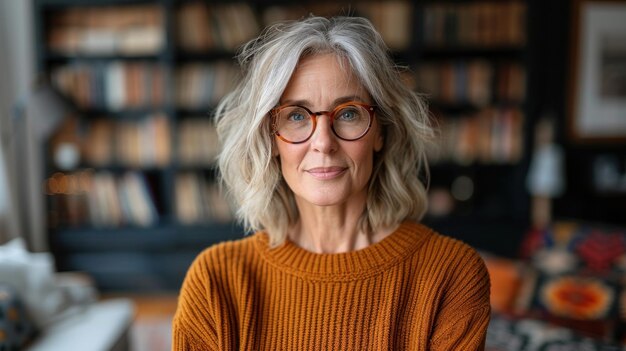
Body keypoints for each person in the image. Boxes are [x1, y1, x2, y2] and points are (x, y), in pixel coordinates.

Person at [172, 16, 490, 350]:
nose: (323, 142)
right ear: (270, 138)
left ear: (381, 130)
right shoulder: (215, 281)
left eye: (349, 113)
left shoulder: (451, 273)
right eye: (296, 115)